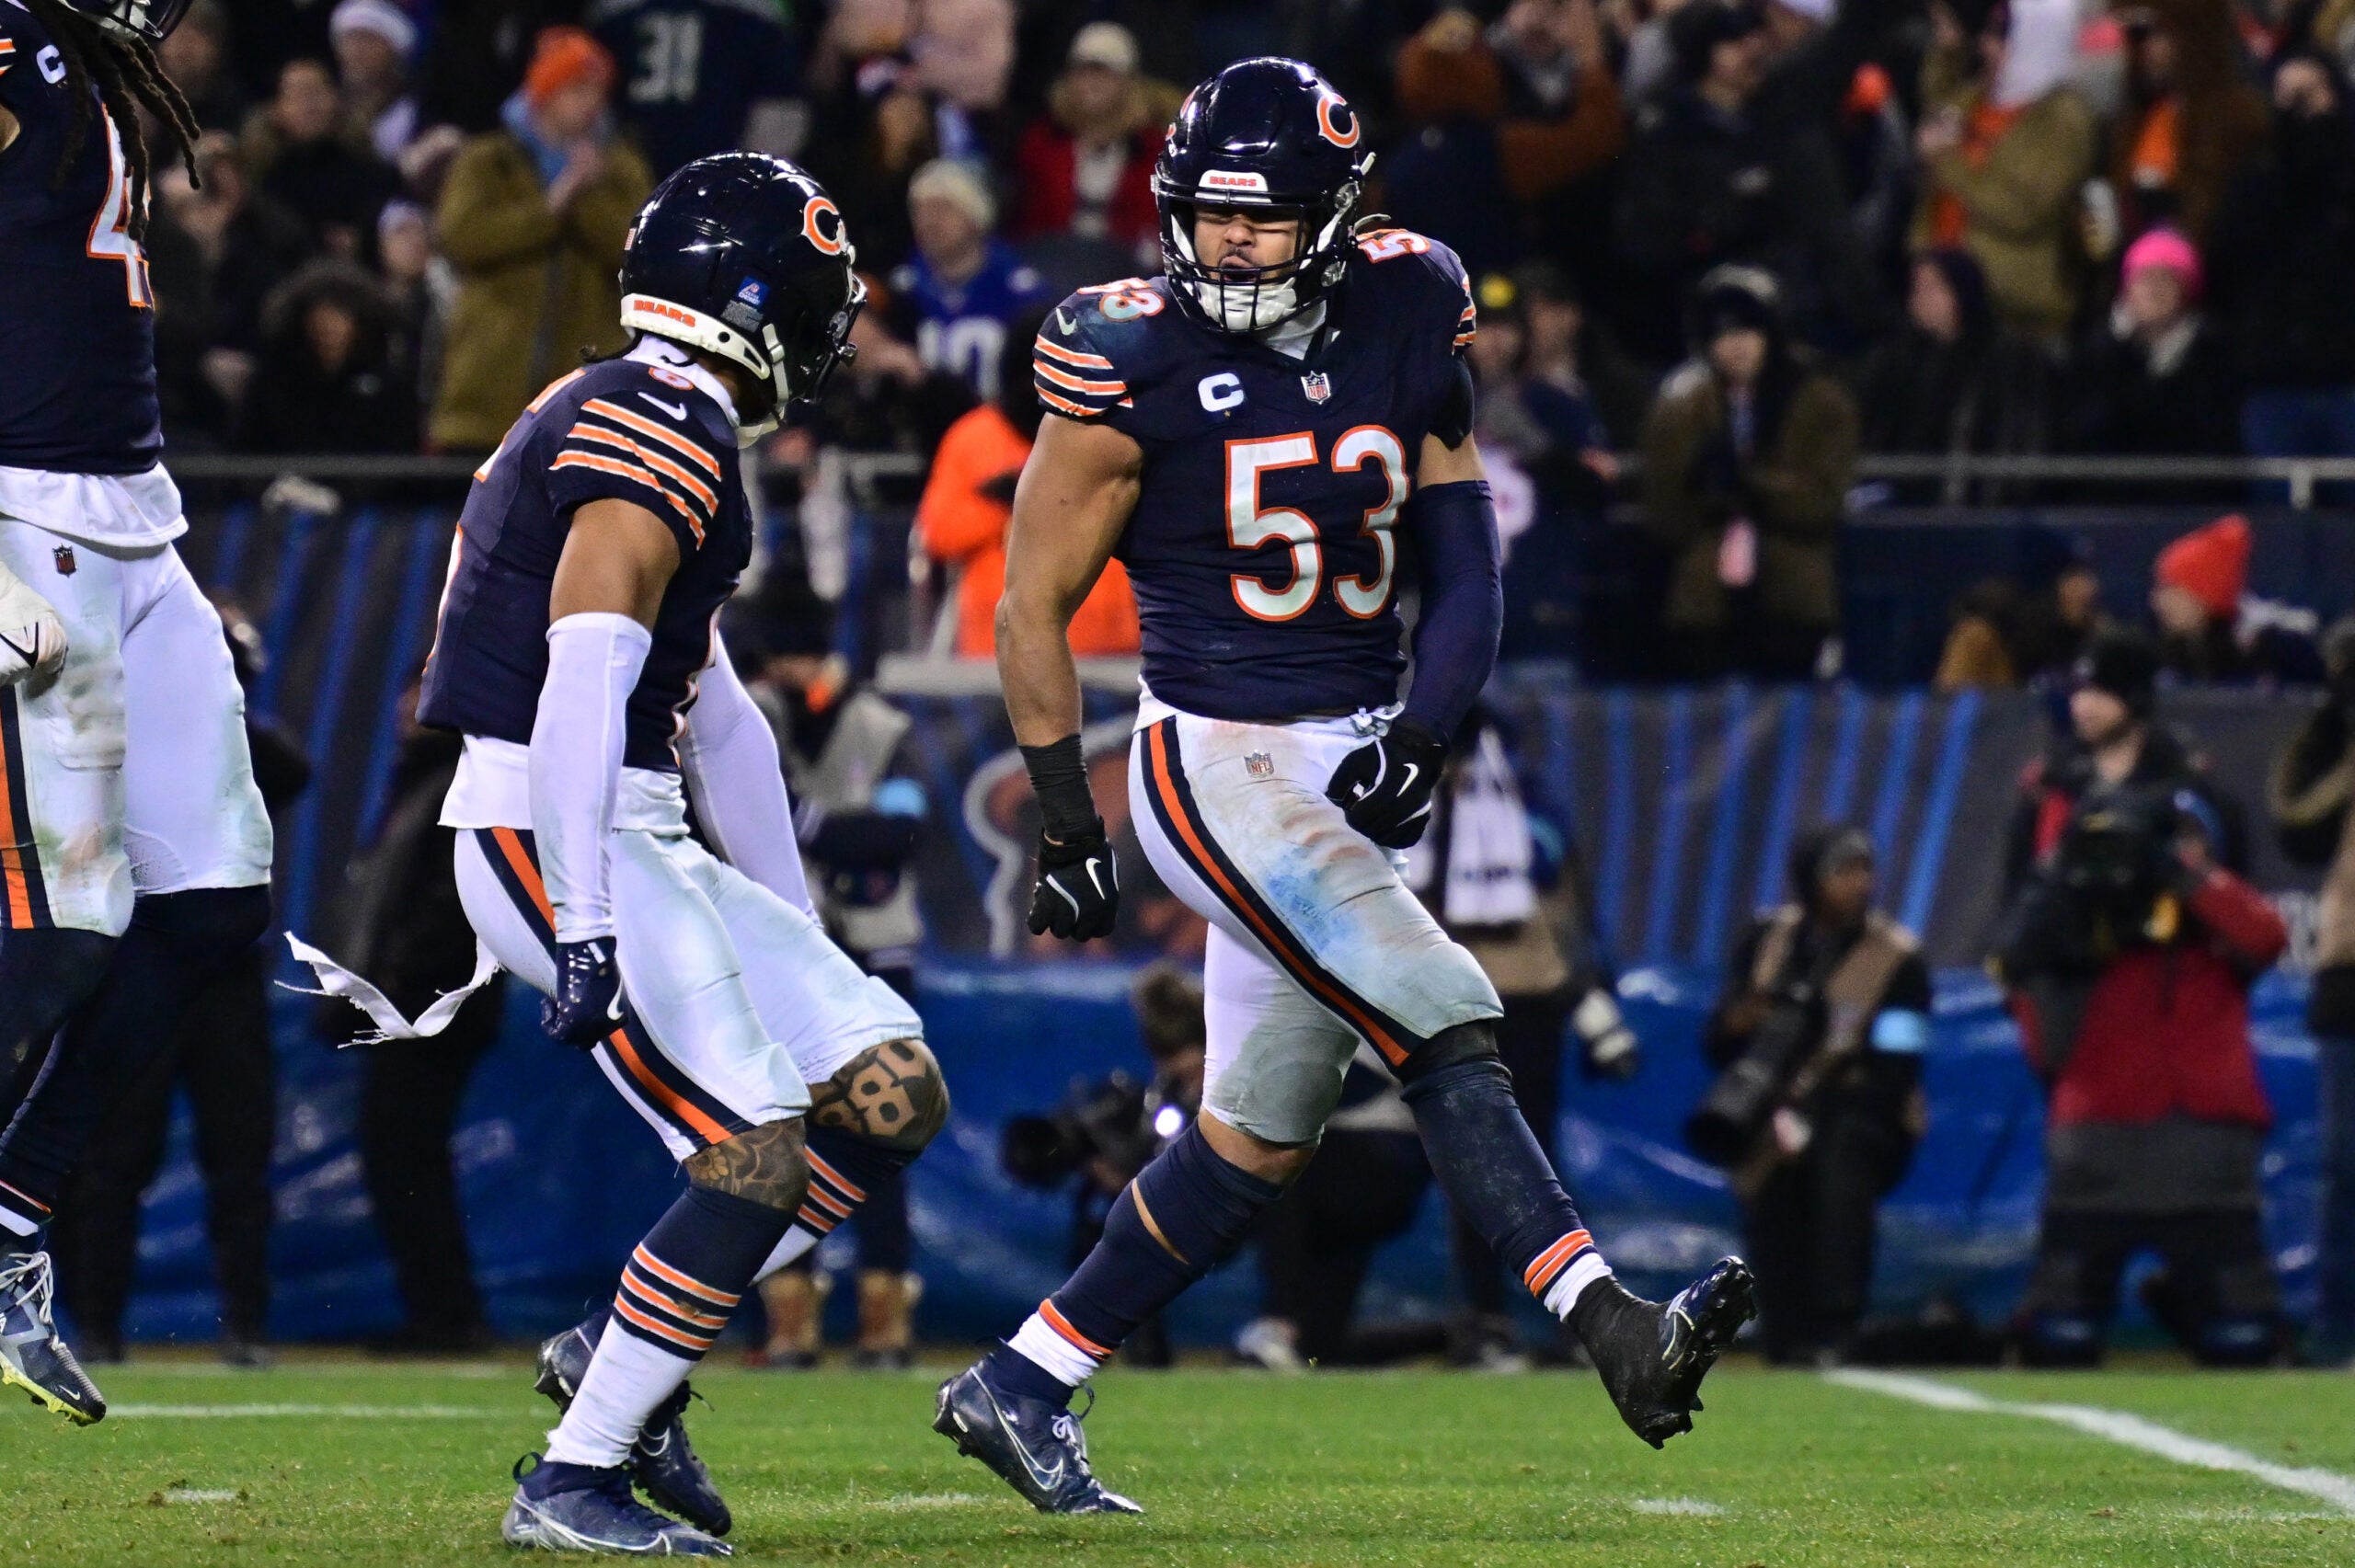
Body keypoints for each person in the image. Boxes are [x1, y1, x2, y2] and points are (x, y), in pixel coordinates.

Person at [933, 60, 1752, 1518]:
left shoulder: (1409, 302)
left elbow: (1466, 564)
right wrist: (1066, 817)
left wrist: (1424, 733)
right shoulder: (1123, 353)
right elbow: (1028, 605)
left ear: (1337, 215)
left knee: (1260, 1131)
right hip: (1218, 755)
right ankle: (1613, 1327)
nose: (1231, 241)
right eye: (1210, 213)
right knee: (1442, 1002)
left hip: (1349, 744)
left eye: (1264, 217)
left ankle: (1023, 1378)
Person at [297, 155, 946, 1553]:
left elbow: (720, 720)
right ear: (758, 303)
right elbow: (583, 666)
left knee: (887, 1088)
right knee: (753, 1149)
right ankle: (573, 1474)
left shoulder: (662, 408)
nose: (825, 337)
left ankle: (618, 1348)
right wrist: (584, 913)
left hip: (627, 819)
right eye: (815, 305)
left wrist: (791, 923)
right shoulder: (654, 420)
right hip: (552, 821)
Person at [0, 0, 277, 1426]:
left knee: (214, 903)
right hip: (25, 517)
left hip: (132, 520)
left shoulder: (86, 67)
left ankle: (9, 1214)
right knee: (64, 924)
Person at [1994, 631, 2289, 1367]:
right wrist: (2072, 898)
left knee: (2244, 1337)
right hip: (2097, 1086)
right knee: (2058, 1334)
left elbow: (2261, 935)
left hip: (2194, 1098)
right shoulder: (2049, 792)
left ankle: (2190, 1304)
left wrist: (2175, 870)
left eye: (2100, 690)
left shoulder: (2195, 791)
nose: (2085, 706)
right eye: (2079, 691)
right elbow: (2019, 947)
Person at [52, 601, 308, 1368]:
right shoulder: (119, 743)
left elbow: (293, 769)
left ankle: (246, 1325)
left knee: (239, 1157)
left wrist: (213, 701)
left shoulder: (235, 746)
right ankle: (97, 1326)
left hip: (223, 976)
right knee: (115, 1158)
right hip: (139, 966)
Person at [1694, 825, 1930, 1364]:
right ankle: (1783, 1333)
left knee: (1841, 1166)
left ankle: (1836, 1328)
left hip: (1862, 1110)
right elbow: (1718, 1045)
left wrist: (1817, 1107)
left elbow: (1900, 1062)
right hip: (1771, 1110)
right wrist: (1744, 1020)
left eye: (1865, 870)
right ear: (1810, 879)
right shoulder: (1766, 941)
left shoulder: (1899, 959)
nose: (1860, 883)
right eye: (1843, 871)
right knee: (1770, 1187)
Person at [428, 27, 653, 454]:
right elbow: (462, 238)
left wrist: (583, 197)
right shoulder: (487, 160)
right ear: (544, 93)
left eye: (598, 91)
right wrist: (550, 209)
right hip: (485, 403)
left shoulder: (620, 168)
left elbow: (636, 253)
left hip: (583, 407)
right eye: (577, 89)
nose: (592, 103)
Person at [1640, 264, 1858, 680]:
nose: (1735, 345)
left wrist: (1751, 484)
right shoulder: (1684, 407)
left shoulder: (1822, 402)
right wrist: (1701, 482)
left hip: (1793, 601)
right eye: (1722, 334)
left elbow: (1822, 501)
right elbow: (1666, 514)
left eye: (1747, 330)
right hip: (1705, 603)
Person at [916, 307, 1139, 660]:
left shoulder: (1116, 431)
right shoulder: (974, 437)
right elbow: (939, 533)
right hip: (1000, 648)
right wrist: (1007, 502)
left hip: (1112, 642)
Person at [1909, 0, 2096, 347]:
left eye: (2002, 35)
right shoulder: (1981, 96)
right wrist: (1949, 52)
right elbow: (1936, 105)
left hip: (2010, 313)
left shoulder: (2063, 120)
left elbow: (2021, 210)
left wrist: (1946, 162)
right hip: (1942, 295)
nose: (1987, 45)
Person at [2269, 618, 2355, 1364]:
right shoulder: (2339, 741)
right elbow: (2295, 824)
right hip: (2350, 976)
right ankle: (2338, 1336)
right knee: (2347, 1167)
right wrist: (2335, 721)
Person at [2209, 51, 2355, 465]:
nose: (2298, 107)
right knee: (2276, 501)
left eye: (2310, 93)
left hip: (2347, 382)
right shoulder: (2253, 185)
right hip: (2273, 384)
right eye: (2287, 95)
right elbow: (2226, 269)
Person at [1853, 247, 2055, 501]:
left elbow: (2017, 438)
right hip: (1907, 503)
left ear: (1961, 292)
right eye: (1916, 288)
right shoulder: (1899, 359)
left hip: (1981, 505)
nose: (1920, 299)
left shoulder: (2008, 361)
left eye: (1932, 288)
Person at [2068, 226, 2241, 463]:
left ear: (2187, 290)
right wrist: (2121, 349)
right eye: (2145, 277)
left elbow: (2212, 439)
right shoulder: (2095, 349)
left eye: (2167, 278)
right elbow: (2085, 433)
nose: (2154, 290)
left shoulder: (2212, 355)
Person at [1008, 23, 1165, 276]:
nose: (1093, 83)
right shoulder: (1042, 142)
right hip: (1052, 264)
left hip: (1124, 271)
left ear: (1128, 84)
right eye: (1084, 73)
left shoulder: (1152, 149)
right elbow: (1028, 222)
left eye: (1105, 74)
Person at [886, 157, 1047, 401]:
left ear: (976, 216)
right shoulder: (901, 288)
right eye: (920, 209)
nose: (929, 221)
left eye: (943, 208)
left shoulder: (1020, 291)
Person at [589, 0, 803, 180]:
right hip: (629, 172)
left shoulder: (756, 13)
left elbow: (780, 105)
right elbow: (590, 94)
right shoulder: (757, 12)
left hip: (715, 172)